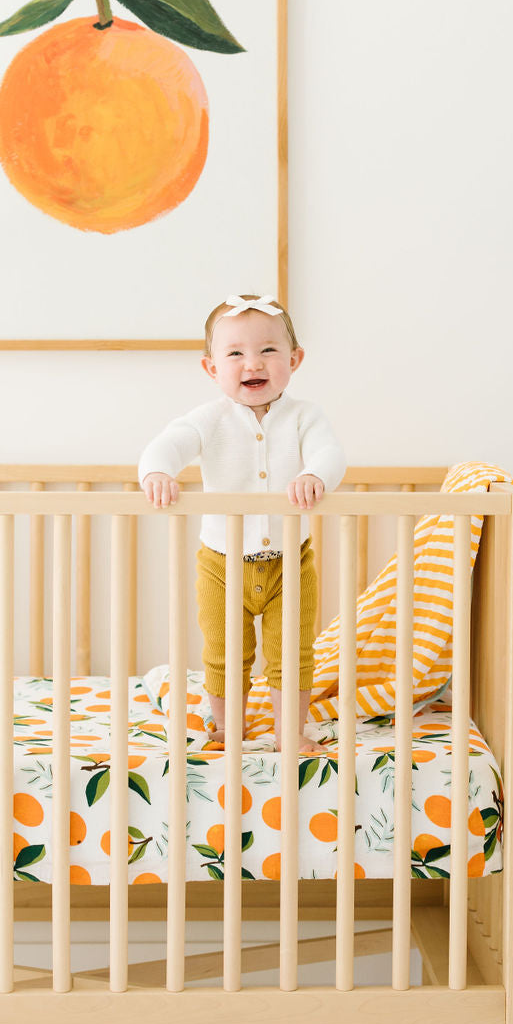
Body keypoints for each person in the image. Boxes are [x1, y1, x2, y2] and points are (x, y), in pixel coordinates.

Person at [138, 294, 346, 753]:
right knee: (225, 652)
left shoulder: (305, 416)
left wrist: (315, 474)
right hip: (221, 563)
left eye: (268, 350)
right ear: (212, 368)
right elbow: (169, 444)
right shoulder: (209, 419)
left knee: (291, 652)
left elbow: (330, 453)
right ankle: (227, 727)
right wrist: (157, 472)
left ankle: (289, 731)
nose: (253, 362)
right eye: (235, 353)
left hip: (289, 562)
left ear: (295, 359)